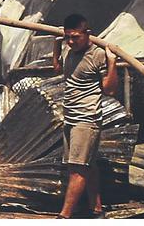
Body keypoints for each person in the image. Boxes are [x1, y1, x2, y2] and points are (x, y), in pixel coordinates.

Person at [53, 13, 119, 219]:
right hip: (70, 117)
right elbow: (57, 68)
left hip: (86, 118)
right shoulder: (68, 50)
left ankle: (64, 216)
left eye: (75, 37)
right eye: (68, 37)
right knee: (88, 165)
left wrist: (112, 62)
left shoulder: (98, 54)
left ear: (87, 34)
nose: (71, 41)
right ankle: (96, 209)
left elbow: (110, 89)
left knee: (78, 169)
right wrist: (56, 45)